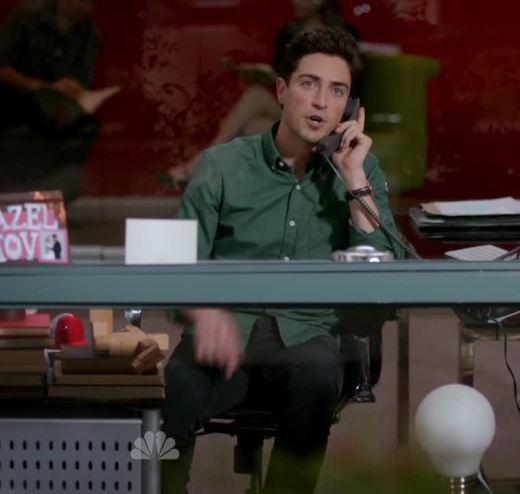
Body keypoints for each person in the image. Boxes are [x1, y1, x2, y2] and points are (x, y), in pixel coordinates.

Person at [161, 26, 402, 494]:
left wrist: (353, 179)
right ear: (281, 91)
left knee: (316, 378)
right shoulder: (222, 166)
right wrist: (203, 311)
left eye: (337, 91)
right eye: (309, 84)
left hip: (307, 336)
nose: (321, 103)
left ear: (350, 108)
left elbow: (383, 275)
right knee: (172, 395)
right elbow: (176, 262)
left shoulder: (360, 171)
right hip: (224, 333)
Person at [167, 0, 359, 186]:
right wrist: (262, 75)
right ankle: (232, 180)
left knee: (256, 99)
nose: (294, 1)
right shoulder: (288, 33)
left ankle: (203, 162)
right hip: (294, 107)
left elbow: (350, 85)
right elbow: (282, 75)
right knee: (254, 125)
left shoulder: (344, 36)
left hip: (328, 114)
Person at [0, 0, 101, 202]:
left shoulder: (90, 33)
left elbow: (82, 79)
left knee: (88, 127)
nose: (88, 7)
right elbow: (3, 67)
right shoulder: (27, 18)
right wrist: (37, 87)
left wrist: (72, 92)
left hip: (57, 117)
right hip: (13, 109)